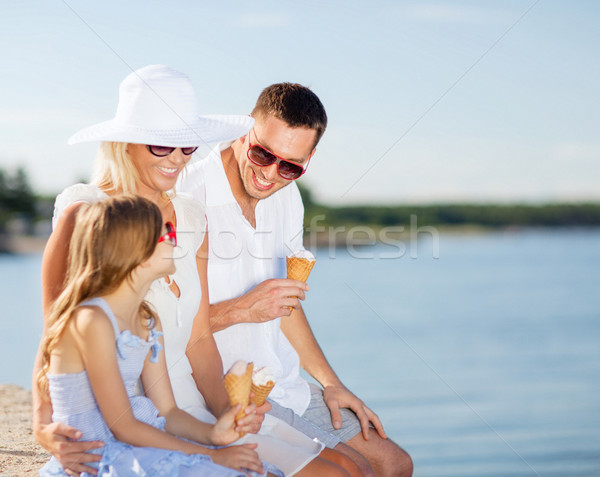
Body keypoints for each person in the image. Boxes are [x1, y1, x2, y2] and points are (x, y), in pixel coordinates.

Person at [34, 65, 359, 477]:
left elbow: (200, 337)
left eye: (186, 148)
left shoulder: (190, 215)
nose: (177, 161)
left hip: (187, 407)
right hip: (127, 417)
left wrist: (230, 417)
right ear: (125, 142)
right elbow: (53, 336)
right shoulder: (86, 214)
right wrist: (44, 425)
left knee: (347, 472)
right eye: (160, 146)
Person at [178, 83, 414, 476]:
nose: (271, 174)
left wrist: (330, 382)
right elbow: (162, 326)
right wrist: (240, 310)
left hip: (284, 384)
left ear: (309, 158)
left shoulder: (287, 197)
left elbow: (283, 304)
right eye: (262, 154)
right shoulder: (188, 197)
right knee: (353, 471)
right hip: (215, 394)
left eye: (290, 165)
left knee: (394, 465)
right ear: (243, 133)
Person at [37, 195, 273, 476]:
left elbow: (169, 412)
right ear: (134, 251)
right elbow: (123, 426)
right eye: (167, 233)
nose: (175, 240)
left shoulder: (146, 319)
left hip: (133, 443)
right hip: (99, 459)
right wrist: (212, 457)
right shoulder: (92, 320)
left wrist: (213, 435)